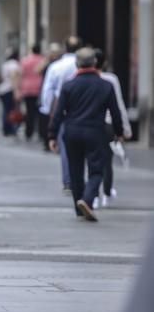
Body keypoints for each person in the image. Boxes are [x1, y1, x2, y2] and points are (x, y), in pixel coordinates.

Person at [48, 48, 124, 222]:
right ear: (95, 63)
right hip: (96, 131)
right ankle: (88, 200)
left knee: (75, 171)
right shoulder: (105, 85)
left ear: (77, 64)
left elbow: (58, 112)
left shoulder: (68, 85)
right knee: (96, 169)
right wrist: (119, 133)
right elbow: (115, 112)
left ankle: (79, 207)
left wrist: (52, 135)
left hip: (72, 132)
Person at [41, 36, 81, 193]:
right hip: (83, 109)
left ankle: (68, 180)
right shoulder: (83, 65)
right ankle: (82, 178)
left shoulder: (56, 67)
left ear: (65, 48)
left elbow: (48, 89)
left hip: (63, 109)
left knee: (65, 145)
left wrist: (47, 109)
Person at [93, 49, 132, 208]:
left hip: (91, 124)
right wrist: (124, 128)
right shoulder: (111, 79)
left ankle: (94, 196)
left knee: (92, 161)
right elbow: (119, 105)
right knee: (107, 161)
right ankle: (107, 193)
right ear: (105, 63)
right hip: (108, 124)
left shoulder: (85, 79)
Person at [38, 43, 63, 151]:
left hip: (55, 94)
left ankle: (53, 140)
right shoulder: (48, 63)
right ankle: (47, 140)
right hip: (46, 91)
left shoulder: (59, 64)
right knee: (46, 117)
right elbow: (37, 70)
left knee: (54, 117)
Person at [20, 44, 44, 141]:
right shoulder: (42, 60)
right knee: (39, 111)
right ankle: (40, 132)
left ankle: (28, 132)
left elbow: (21, 73)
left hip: (27, 88)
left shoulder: (25, 60)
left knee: (29, 111)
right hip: (39, 88)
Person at [0, 48, 21, 137]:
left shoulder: (5, 64)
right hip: (9, 89)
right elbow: (14, 78)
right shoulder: (14, 65)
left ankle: (6, 128)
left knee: (5, 110)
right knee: (10, 110)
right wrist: (16, 91)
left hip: (2, 89)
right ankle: (10, 129)